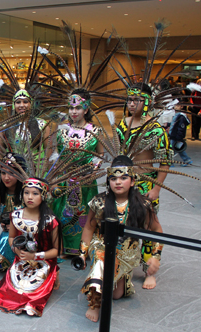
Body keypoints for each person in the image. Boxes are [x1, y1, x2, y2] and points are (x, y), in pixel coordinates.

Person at [78, 156, 163, 322]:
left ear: (132, 181)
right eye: (113, 178)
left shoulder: (144, 205)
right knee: (101, 265)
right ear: (108, 180)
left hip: (126, 254)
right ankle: (94, 304)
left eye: (123, 178)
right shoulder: (99, 202)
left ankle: (116, 282)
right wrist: (82, 254)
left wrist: (155, 256)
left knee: (116, 295)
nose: (118, 182)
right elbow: (89, 227)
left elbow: (157, 231)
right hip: (102, 247)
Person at [116, 83, 172, 289]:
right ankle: (125, 262)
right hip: (125, 183)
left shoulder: (156, 129)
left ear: (147, 102)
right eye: (129, 99)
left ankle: (150, 269)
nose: (131, 104)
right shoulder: (123, 124)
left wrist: (156, 188)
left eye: (136, 100)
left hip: (146, 184)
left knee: (149, 226)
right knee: (124, 224)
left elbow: (164, 162)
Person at [0, 176, 60, 316]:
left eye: (35, 193)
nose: (30, 197)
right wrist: (15, 249)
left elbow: (55, 251)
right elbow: (11, 237)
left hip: (42, 261)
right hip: (22, 260)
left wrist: (34, 256)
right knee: (11, 289)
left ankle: (54, 274)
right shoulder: (15, 215)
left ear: (44, 196)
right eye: (26, 192)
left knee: (32, 292)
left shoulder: (50, 221)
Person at [52, 89, 103, 256]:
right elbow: (56, 154)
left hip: (86, 181)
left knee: (85, 215)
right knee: (62, 214)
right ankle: (63, 249)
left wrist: (93, 170)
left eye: (78, 108)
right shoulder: (61, 129)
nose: (74, 112)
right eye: (71, 108)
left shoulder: (95, 130)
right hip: (64, 179)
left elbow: (100, 154)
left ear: (86, 109)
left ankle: (83, 250)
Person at [0, 152, 24, 271]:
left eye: (11, 173)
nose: (6, 177)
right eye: (3, 173)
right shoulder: (0, 192)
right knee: (6, 237)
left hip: (25, 233)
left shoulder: (26, 194)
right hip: (7, 232)